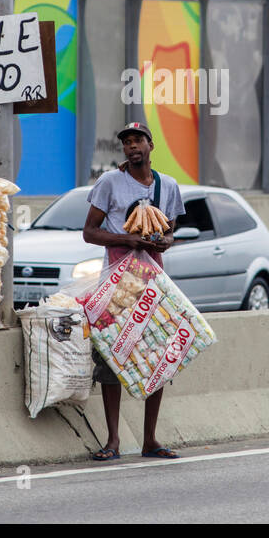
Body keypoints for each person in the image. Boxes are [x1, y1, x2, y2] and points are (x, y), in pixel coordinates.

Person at [82, 121, 185, 460]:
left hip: (153, 285)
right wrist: (127, 239)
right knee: (111, 360)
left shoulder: (167, 186)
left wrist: (163, 243)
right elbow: (90, 232)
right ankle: (112, 441)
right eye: (126, 142)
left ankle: (150, 440)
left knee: (158, 358)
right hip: (117, 284)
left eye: (138, 140)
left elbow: (169, 232)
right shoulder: (110, 183)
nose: (131, 147)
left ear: (151, 146)